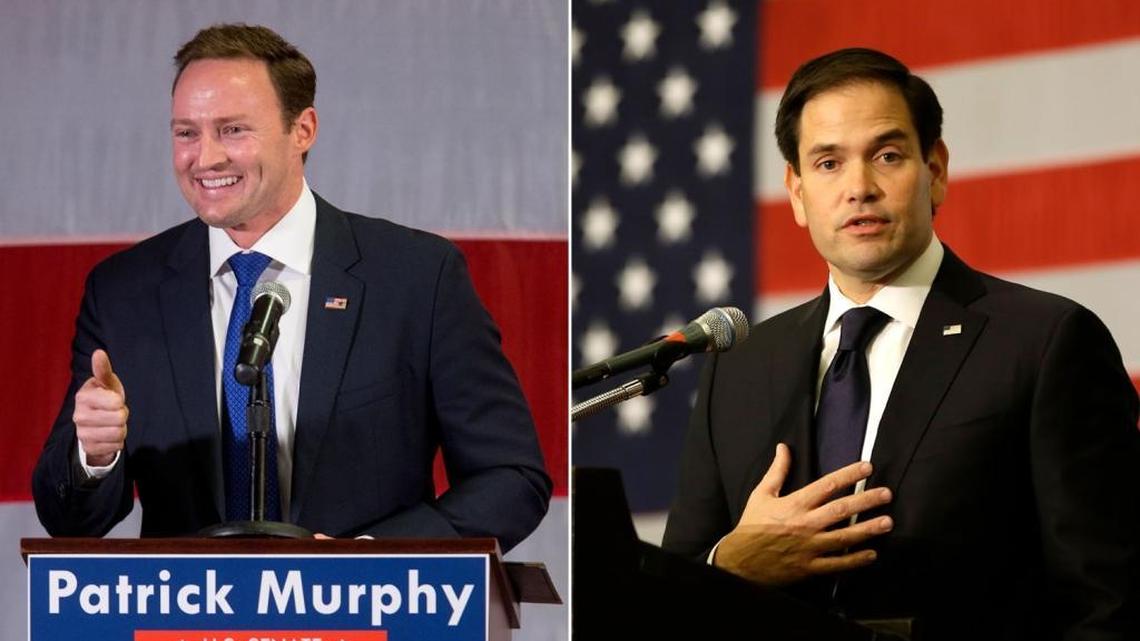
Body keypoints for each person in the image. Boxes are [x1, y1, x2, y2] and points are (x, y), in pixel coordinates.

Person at [661, 48, 1140, 638]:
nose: (859, 187)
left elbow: (1107, 601)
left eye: (886, 156)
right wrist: (731, 564)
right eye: (828, 163)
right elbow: (668, 592)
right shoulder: (739, 366)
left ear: (935, 169)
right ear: (796, 191)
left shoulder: (1045, 343)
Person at [32, 24, 551, 551]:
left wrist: (370, 559)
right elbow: (70, 521)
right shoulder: (125, 293)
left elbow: (510, 478)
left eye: (233, 130)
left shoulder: (418, 278)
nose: (205, 157)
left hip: (370, 619)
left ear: (302, 130)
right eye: (186, 132)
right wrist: (94, 456)